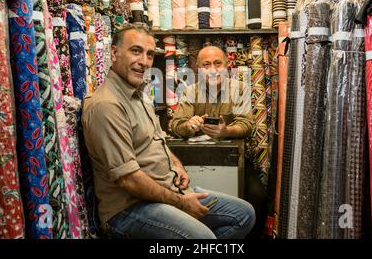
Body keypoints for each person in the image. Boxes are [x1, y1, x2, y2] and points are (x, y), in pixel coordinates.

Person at [81, 24, 255, 239]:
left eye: (150, 54)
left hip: (166, 187)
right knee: (203, 238)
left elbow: (158, 139)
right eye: (136, 51)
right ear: (114, 53)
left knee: (244, 214)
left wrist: (176, 162)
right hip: (132, 205)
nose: (144, 61)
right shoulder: (107, 105)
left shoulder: (140, 96)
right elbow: (130, 177)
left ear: (227, 66)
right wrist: (189, 126)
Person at [170, 46, 269, 239]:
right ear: (198, 69)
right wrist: (189, 125)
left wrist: (226, 131)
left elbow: (247, 125)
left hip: (235, 160)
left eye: (218, 63)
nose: (213, 69)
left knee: (259, 196)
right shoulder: (190, 91)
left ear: (227, 65)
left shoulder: (240, 89)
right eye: (206, 65)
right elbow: (175, 124)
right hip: (195, 163)